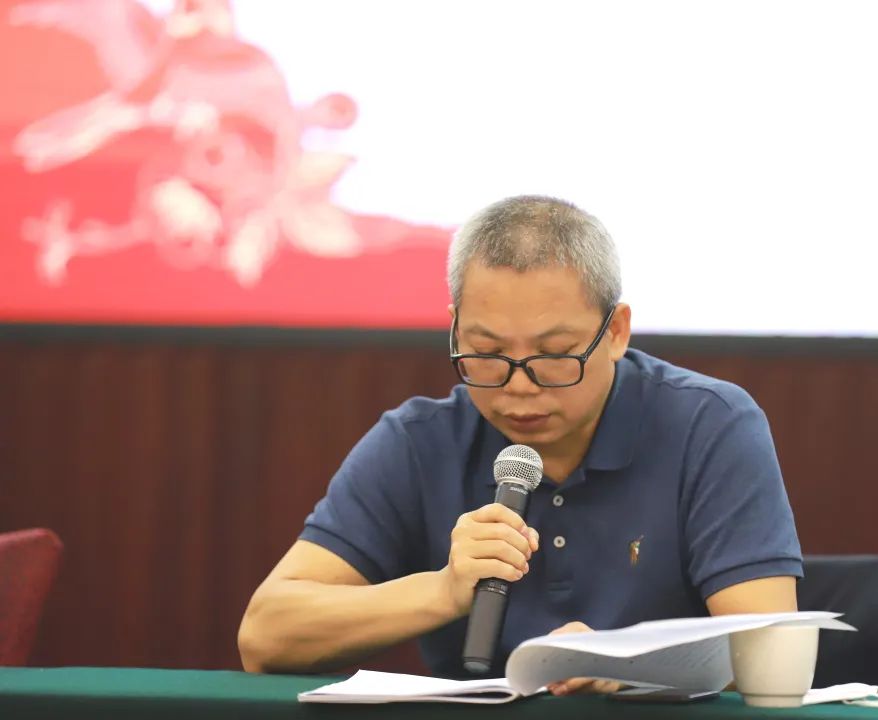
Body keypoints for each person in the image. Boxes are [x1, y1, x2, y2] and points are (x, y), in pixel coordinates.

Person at [238, 195, 803, 694]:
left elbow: (772, 652)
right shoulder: (419, 442)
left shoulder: (708, 424)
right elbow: (265, 637)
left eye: (554, 354)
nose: (519, 387)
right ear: (455, 329)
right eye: (486, 352)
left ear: (615, 331)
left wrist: (635, 664)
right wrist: (443, 590)